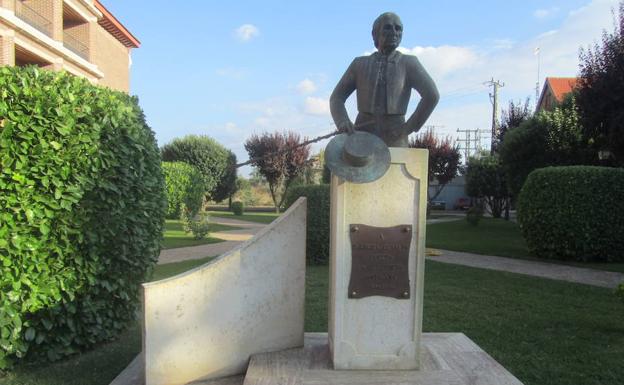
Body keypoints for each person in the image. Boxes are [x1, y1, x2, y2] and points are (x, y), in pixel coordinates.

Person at [330, 12, 439, 147]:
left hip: (395, 135)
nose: (394, 32)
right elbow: (337, 98)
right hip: (362, 134)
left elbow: (432, 96)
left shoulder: (409, 63)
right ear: (375, 34)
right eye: (388, 27)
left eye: (398, 28)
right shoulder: (359, 64)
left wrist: (408, 128)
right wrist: (342, 121)